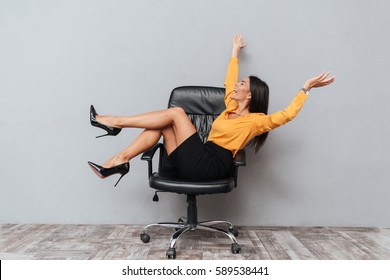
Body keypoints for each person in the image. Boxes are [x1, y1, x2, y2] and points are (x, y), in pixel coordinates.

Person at [88, 34, 335, 186]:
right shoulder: (230, 107)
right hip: (195, 159)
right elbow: (229, 81)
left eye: (242, 84)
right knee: (163, 124)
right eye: (240, 82)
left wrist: (305, 89)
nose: (237, 85)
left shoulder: (256, 121)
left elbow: (286, 115)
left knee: (176, 113)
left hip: (211, 165)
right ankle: (119, 161)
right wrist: (235, 52)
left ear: (249, 95)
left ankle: (114, 122)